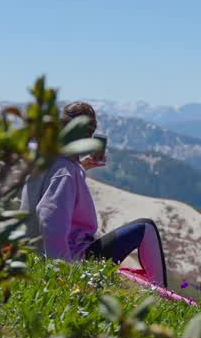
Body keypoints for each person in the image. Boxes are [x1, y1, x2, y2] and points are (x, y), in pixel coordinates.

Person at [21, 101, 170, 286]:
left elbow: (51, 186)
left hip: (34, 253)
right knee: (146, 228)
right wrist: (64, 274)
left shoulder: (45, 159)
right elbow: (49, 220)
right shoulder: (66, 172)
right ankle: (161, 291)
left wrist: (81, 166)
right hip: (74, 260)